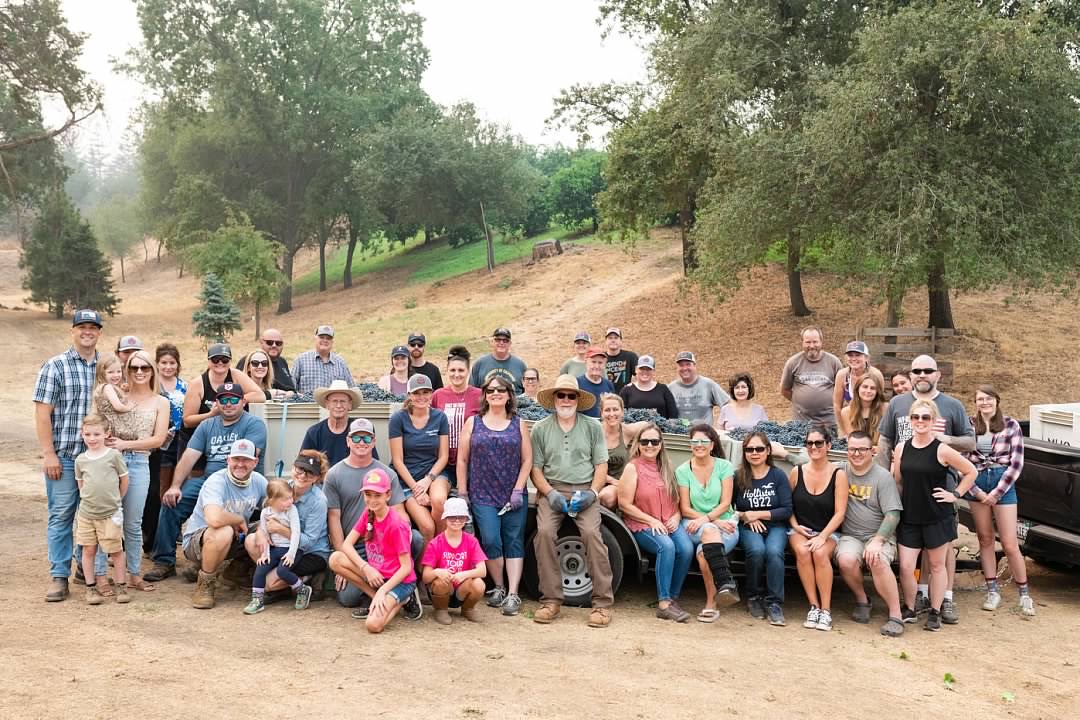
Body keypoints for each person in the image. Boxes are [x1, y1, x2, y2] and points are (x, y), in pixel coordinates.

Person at [877, 354, 974, 624]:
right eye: (916, 370)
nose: (921, 374)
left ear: (937, 374)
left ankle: (942, 604)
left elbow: (970, 445)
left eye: (927, 370)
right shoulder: (897, 404)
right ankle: (914, 603)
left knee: (938, 561)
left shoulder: (952, 406)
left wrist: (955, 494)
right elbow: (886, 446)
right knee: (908, 565)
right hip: (909, 505)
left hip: (939, 499)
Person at [143, 383, 268, 582]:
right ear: (216, 403)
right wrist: (175, 486)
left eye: (234, 399)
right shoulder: (207, 425)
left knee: (258, 520)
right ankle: (164, 560)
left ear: (243, 401)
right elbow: (189, 457)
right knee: (171, 501)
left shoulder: (254, 424)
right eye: (223, 400)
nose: (228, 404)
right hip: (208, 481)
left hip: (240, 483)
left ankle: (236, 564)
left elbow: (247, 461)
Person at [530, 375, 613, 627]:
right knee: (543, 533)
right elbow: (535, 468)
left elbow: (601, 465)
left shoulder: (592, 427)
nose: (566, 400)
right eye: (561, 395)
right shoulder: (540, 428)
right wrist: (550, 493)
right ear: (554, 398)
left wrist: (593, 493)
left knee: (592, 535)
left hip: (584, 490)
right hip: (552, 489)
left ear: (578, 399)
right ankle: (551, 600)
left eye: (571, 395)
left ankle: (602, 604)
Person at [86, 350, 169, 594]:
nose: (140, 372)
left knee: (133, 524)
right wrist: (106, 439)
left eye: (145, 368)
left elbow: (158, 439)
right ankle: (101, 576)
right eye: (134, 368)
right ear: (127, 370)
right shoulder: (116, 393)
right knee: (105, 520)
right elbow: (96, 420)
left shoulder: (160, 402)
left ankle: (134, 574)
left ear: (152, 370)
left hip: (139, 463)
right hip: (110, 462)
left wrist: (126, 444)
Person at [323, 418, 423, 621]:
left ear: (374, 441)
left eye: (367, 437)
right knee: (347, 598)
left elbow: (400, 512)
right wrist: (352, 561)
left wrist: (398, 534)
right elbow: (334, 519)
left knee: (417, 538)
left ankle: (403, 587)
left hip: (386, 544)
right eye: (357, 437)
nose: (362, 442)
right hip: (359, 545)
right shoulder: (334, 474)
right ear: (348, 441)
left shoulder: (387, 473)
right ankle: (382, 596)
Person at [892, 398, 978, 632]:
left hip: (936, 516)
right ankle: (910, 608)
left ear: (934, 422)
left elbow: (971, 471)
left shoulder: (942, 449)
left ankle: (935, 611)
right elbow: (897, 481)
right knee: (906, 567)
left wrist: (955, 494)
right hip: (909, 516)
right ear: (910, 420)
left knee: (938, 566)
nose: (920, 421)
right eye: (916, 417)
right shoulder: (901, 448)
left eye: (925, 417)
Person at [35, 308, 103, 602]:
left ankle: (83, 566)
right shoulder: (55, 366)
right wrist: (48, 454)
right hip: (64, 456)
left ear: (99, 332)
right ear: (73, 331)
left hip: (98, 459)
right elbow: (42, 413)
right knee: (62, 516)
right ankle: (59, 575)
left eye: (93, 327)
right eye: (82, 327)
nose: (87, 331)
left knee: (94, 515)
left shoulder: (108, 367)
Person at [457, 375, 533, 616]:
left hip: (512, 494)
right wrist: (462, 492)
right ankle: (498, 586)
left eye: (501, 390)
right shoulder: (473, 422)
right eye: (491, 390)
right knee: (490, 540)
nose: (496, 393)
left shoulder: (518, 423)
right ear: (485, 395)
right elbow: (462, 459)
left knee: (513, 540)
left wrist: (519, 489)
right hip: (482, 493)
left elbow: (528, 459)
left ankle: (512, 593)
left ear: (510, 395)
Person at [963, 386, 1034, 616]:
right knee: (984, 539)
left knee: (1010, 543)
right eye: (980, 399)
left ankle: (1024, 594)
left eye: (989, 398)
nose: (985, 402)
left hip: (1003, 481)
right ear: (975, 402)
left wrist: (997, 492)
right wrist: (978, 492)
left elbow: (1017, 463)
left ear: (997, 400)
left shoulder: (1011, 425)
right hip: (977, 482)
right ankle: (992, 590)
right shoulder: (970, 425)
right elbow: (963, 462)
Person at [328, 468, 421, 633]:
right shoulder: (368, 513)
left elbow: (406, 568)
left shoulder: (396, 525)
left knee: (373, 625)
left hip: (399, 581)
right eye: (368, 495)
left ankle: (404, 598)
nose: (372, 500)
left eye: (377, 495)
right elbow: (346, 545)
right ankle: (376, 597)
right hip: (377, 575)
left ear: (388, 495)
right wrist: (366, 567)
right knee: (336, 558)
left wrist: (384, 590)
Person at [618, 424, 694, 623]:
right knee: (666, 546)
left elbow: (676, 501)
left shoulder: (667, 466)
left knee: (686, 548)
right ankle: (664, 604)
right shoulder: (632, 467)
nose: (649, 445)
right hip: (642, 522)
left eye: (654, 441)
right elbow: (624, 504)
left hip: (668, 520)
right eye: (645, 441)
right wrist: (651, 520)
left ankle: (673, 597)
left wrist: (676, 517)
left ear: (661, 444)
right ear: (638, 444)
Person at [183, 439, 270, 609]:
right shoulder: (217, 481)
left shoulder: (259, 481)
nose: (240, 464)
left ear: (255, 462)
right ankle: (205, 584)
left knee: (268, 526)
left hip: (236, 537)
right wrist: (237, 519)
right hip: (198, 540)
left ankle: (237, 570)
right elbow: (213, 518)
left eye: (245, 460)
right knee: (223, 530)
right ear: (228, 460)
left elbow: (274, 508)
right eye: (236, 459)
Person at [835, 431, 905, 637]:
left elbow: (893, 514)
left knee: (877, 560)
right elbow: (814, 463)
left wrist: (878, 540)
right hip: (851, 535)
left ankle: (896, 614)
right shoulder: (840, 470)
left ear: (872, 451)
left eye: (862, 449)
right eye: (852, 449)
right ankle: (863, 600)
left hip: (879, 535)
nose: (856, 453)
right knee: (846, 560)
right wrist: (787, 456)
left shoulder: (882, 477)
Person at [243, 451, 332, 604]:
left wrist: (280, 529)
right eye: (300, 469)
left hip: (310, 552)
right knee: (251, 540)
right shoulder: (282, 487)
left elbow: (308, 542)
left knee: (268, 584)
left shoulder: (318, 501)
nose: (303, 476)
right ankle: (285, 586)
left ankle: (310, 578)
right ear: (293, 468)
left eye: (310, 473)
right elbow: (267, 515)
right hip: (282, 547)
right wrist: (262, 533)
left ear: (317, 478)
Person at [676, 424, 740, 622]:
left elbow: (726, 503)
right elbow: (685, 508)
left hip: (725, 524)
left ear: (712, 444)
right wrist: (708, 521)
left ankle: (712, 602)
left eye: (704, 441)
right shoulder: (682, 470)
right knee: (710, 529)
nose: (699, 445)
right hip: (693, 524)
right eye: (695, 441)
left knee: (704, 553)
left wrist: (712, 520)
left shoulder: (724, 466)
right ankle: (726, 583)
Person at [788, 426, 848, 631]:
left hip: (828, 531)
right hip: (800, 530)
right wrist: (795, 526)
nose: (814, 447)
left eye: (818, 443)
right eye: (810, 443)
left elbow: (840, 512)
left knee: (820, 553)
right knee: (804, 551)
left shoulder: (838, 474)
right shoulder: (797, 472)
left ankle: (826, 610)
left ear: (828, 445)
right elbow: (788, 506)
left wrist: (823, 536)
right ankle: (813, 606)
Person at [176, 343, 264, 477]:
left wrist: (232, 401)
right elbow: (187, 420)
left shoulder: (235, 375)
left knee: (229, 474)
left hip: (224, 437)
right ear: (208, 361)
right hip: (197, 435)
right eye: (215, 360)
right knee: (197, 479)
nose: (220, 363)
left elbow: (260, 395)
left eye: (225, 360)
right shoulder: (197, 384)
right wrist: (211, 414)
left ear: (230, 361)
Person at [733, 431, 793, 626]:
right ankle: (754, 597)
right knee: (757, 550)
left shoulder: (778, 476)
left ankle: (774, 603)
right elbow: (729, 507)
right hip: (748, 526)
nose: (754, 453)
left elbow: (786, 509)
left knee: (774, 552)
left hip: (775, 525)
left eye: (759, 448)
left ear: (768, 451)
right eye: (749, 449)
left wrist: (757, 514)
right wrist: (745, 516)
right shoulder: (738, 476)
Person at [75, 414, 130, 605]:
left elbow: (124, 480)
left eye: (96, 434)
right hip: (87, 514)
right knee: (88, 550)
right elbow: (81, 484)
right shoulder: (81, 460)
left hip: (110, 513)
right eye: (87, 434)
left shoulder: (113, 455)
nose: (92, 438)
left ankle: (121, 585)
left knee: (115, 550)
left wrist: (116, 501)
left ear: (107, 434)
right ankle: (91, 588)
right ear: (82, 434)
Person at [390, 374, 450, 537]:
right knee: (427, 527)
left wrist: (428, 479)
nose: (422, 397)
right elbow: (397, 460)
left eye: (426, 392)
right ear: (409, 394)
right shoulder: (398, 419)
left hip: (434, 474)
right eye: (417, 393)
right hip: (407, 479)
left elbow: (444, 456)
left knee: (439, 501)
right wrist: (416, 489)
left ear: (432, 394)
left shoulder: (440, 417)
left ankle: (439, 554)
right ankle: (424, 562)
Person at [243, 479, 312, 614]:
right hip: (275, 549)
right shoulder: (265, 513)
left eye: (291, 497)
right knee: (260, 570)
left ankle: (302, 589)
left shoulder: (292, 511)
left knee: (282, 571)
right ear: (273, 500)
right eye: (286, 499)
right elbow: (265, 535)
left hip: (292, 549)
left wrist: (291, 554)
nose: (290, 501)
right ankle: (257, 601)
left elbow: (296, 533)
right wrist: (265, 554)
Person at [144, 343, 187, 554]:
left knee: (175, 488)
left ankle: (172, 531)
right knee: (157, 491)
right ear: (157, 364)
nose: (168, 367)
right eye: (164, 363)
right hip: (158, 444)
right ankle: (152, 537)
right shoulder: (152, 385)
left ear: (178, 365)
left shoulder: (184, 386)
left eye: (172, 363)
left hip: (179, 441)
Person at [421, 497, 488, 625]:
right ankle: (441, 609)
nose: (457, 521)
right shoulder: (435, 543)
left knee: (479, 584)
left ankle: (468, 608)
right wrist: (437, 572)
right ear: (445, 518)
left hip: (462, 588)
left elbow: (482, 570)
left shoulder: (471, 541)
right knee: (440, 582)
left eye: (461, 517)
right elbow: (425, 577)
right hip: (443, 589)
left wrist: (464, 574)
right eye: (452, 517)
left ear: (466, 519)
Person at [431, 345, 482, 488]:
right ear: (446, 371)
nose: (457, 374)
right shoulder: (438, 395)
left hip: (472, 462)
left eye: (461, 370)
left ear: (468, 371)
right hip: (443, 462)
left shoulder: (479, 395)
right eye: (452, 370)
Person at [780, 327, 844, 427]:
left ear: (821, 342)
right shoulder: (793, 362)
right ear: (802, 343)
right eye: (807, 342)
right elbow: (785, 390)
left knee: (829, 443)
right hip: (801, 423)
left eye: (815, 342)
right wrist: (800, 402)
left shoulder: (834, 362)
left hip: (828, 423)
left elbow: (841, 390)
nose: (812, 346)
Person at [597, 394, 649, 510]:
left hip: (615, 485)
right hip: (595, 479)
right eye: (607, 410)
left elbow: (648, 426)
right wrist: (612, 480)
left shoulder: (626, 431)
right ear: (601, 413)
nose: (612, 414)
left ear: (622, 412)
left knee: (606, 497)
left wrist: (636, 454)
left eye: (615, 409)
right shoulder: (594, 432)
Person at [302, 379, 363, 467]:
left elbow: (370, 461)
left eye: (343, 401)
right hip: (323, 479)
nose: (338, 406)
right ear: (327, 404)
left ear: (350, 404)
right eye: (334, 401)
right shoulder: (314, 432)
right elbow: (304, 463)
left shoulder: (360, 430)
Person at [668, 351, 730, 426]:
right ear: (677, 368)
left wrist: (721, 425)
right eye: (681, 365)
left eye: (688, 364)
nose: (684, 368)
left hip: (703, 435)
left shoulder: (708, 384)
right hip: (679, 436)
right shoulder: (671, 388)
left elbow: (727, 405)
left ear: (694, 365)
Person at [291, 325, 354, 396]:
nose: (325, 340)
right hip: (307, 406)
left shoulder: (341, 363)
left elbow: (351, 390)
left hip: (333, 407)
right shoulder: (301, 360)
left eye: (328, 338)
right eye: (321, 337)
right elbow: (291, 389)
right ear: (315, 338)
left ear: (332, 342)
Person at [832, 340, 885, 423]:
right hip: (850, 419)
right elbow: (837, 405)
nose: (854, 358)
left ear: (866, 358)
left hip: (871, 420)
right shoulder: (842, 375)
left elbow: (880, 402)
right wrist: (841, 426)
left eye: (858, 355)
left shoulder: (875, 374)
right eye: (850, 355)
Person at [237, 328, 297, 398]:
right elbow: (239, 397)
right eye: (269, 342)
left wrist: (289, 393)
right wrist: (270, 394)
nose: (274, 345)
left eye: (278, 343)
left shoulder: (282, 362)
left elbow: (290, 389)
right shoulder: (247, 360)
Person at [469, 327, 528, 394]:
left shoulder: (520, 365)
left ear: (510, 343)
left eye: (505, 340)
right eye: (498, 340)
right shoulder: (479, 364)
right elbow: (471, 392)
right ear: (492, 342)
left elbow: (528, 393)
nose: (501, 343)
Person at [92, 353, 134, 433]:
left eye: (118, 371)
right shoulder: (108, 387)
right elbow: (118, 407)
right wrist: (130, 407)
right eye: (110, 372)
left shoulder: (102, 387)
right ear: (102, 373)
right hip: (113, 429)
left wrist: (122, 390)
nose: (116, 375)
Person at [839, 374, 887, 443]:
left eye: (872, 388)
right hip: (858, 449)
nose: (868, 391)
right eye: (865, 387)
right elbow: (854, 438)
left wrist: (878, 448)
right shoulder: (846, 412)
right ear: (857, 388)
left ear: (877, 392)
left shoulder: (885, 409)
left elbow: (885, 437)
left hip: (878, 450)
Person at [576, 346, 615, 419]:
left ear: (604, 365)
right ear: (586, 362)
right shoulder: (577, 383)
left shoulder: (609, 385)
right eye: (593, 362)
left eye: (600, 363)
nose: (597, 366)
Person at [602, 327, 638, 393]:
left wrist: (634, 388)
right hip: (606, 397)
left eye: (616, 338)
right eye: (610, 338)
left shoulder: (630, 356)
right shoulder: (601, 357)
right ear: (606, 341)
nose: (613, 340)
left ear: (621, 340)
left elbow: (640, 375)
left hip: (624, 397)